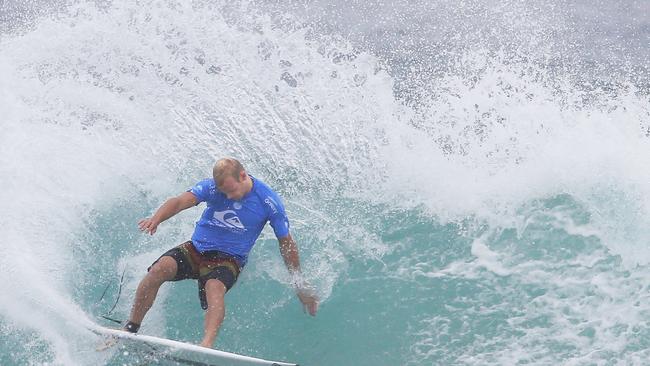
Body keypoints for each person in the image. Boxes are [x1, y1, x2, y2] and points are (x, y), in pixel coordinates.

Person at [123, 157, 318, 348]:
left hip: (229, 259)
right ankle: (131, 328)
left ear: (243, 175)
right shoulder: (213, 188)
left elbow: (286, 242)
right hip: (197, 248)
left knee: (214, 287)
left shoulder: (268, 201)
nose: (229, 196)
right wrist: (156, 218)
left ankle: (206, 346)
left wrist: (298, 280)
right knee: (158, 269)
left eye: (231, 190)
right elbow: (180, 201)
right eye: (224, 192)